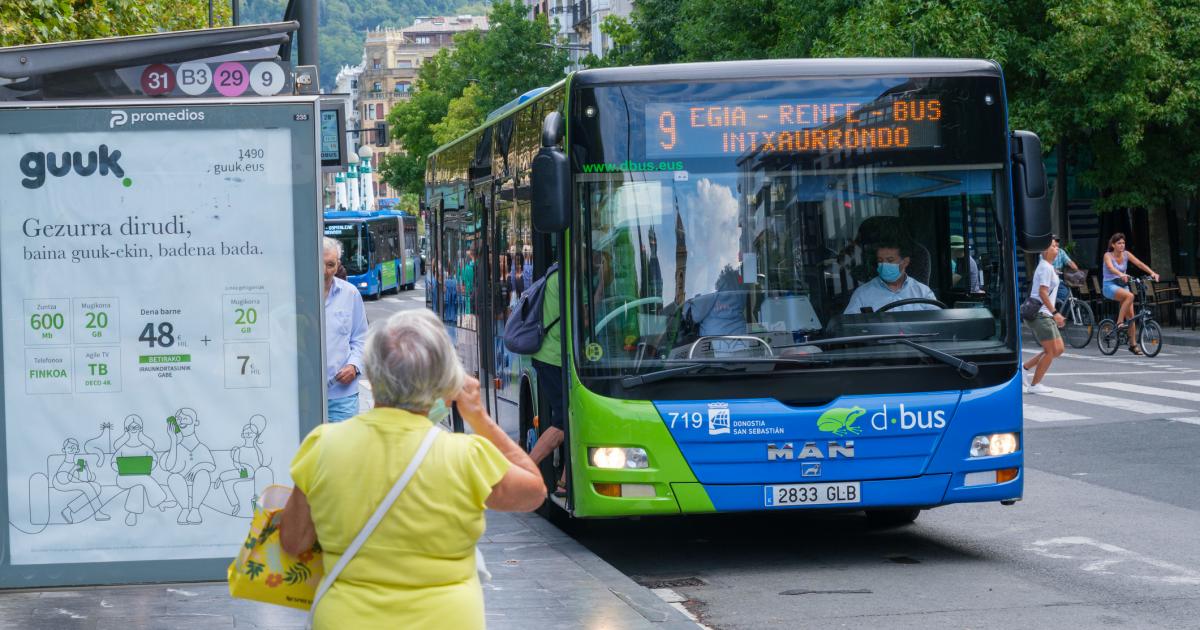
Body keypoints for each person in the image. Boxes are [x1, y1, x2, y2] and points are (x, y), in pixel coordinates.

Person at [279, 309, 545, 630]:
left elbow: (294, 541)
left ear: (372, 375)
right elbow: (534, 491)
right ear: (443, 382)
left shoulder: (323, 446)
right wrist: (478, 417)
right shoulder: (465, 456)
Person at [526, 264, 568, 497]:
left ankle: (564, 482)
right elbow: (581, 320)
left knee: (568, 418)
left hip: (548, 357)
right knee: (564, 420)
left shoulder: (553, 274)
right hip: (554, 358)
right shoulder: (567, 278)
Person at [323, 237, 368, 421]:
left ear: (338, 264)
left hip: (342, 395)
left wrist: (354, 366)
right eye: (320, 264)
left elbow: (361, 338)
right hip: (304, 396)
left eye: (330, 265)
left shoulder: (350, 294)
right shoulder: (296, 294)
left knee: (342, 449)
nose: (324, 271)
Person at [1102, 232, 1160, 355]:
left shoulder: (1126, 254)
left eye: (1123, 243)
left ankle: (1133, 345)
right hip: (1109, 285)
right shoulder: (1108, 255)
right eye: (1119, 243)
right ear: (1113, 245)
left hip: (1122, 285)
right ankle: (1119, 322)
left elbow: (1139, 264)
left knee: (1132, 316)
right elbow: (1111, 268)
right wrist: (1121, 274)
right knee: (1130, 296)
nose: (1122, 245)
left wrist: (1152, 273)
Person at [843, 240, 938, 314]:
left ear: (905, 262)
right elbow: (849, 328)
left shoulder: (923, 292)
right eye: (880, 260)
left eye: (890, 260)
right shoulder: (862, 294)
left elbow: (937, 323)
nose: (884, 265)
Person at [1022, 239, 1066, 393]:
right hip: (1042, 314)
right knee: (1051, 351)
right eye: (1053, 246)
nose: (1057, 248)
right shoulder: (1045, 268)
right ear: (1044, 250)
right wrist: (1055, 313)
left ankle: (1025, 367)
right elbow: (1042, 292)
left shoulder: (1048, 267)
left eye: (1057, 246)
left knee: (1058, 349)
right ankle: (1035, 385)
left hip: (1045, 314)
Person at [163, 407, 216, 525]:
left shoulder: (202, 448)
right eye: (178, 419)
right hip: (181, 486)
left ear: (195, 422)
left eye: (185, 418)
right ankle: (185, 509)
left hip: (198, 483)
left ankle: (195, 510)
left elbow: (211, 466)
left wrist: (197, 467)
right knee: (173, 477)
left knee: (204, 473)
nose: (181, 421)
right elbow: (169, 467)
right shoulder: (177, 447)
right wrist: (173, 441)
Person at [54, 438, 110, 523]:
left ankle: (68, 510)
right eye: (69, 447)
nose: (72, 449)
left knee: (96, 487)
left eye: (74, 447)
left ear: (77, 450)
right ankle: (97, 512)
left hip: (68, 481)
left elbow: (87, 479)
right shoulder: (66, 463)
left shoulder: (76, 463)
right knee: (87, 487)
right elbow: (63, 479)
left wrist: (86, 469)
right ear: (64, 450)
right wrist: (74, 470)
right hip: (60, 482)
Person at [1051, 235, 1080, 306]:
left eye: (1058, 241)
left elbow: (1069, 262)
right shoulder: (1045, 252)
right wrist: (1053, 270)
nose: (1057, 243)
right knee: (1064, 295)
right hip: (1049, 280)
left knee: (1067, 296)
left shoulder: (1061, 252)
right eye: (1055, 241)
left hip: (1059, 279)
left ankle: (1064, 314)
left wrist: (1076, 269)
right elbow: (1044, 267)